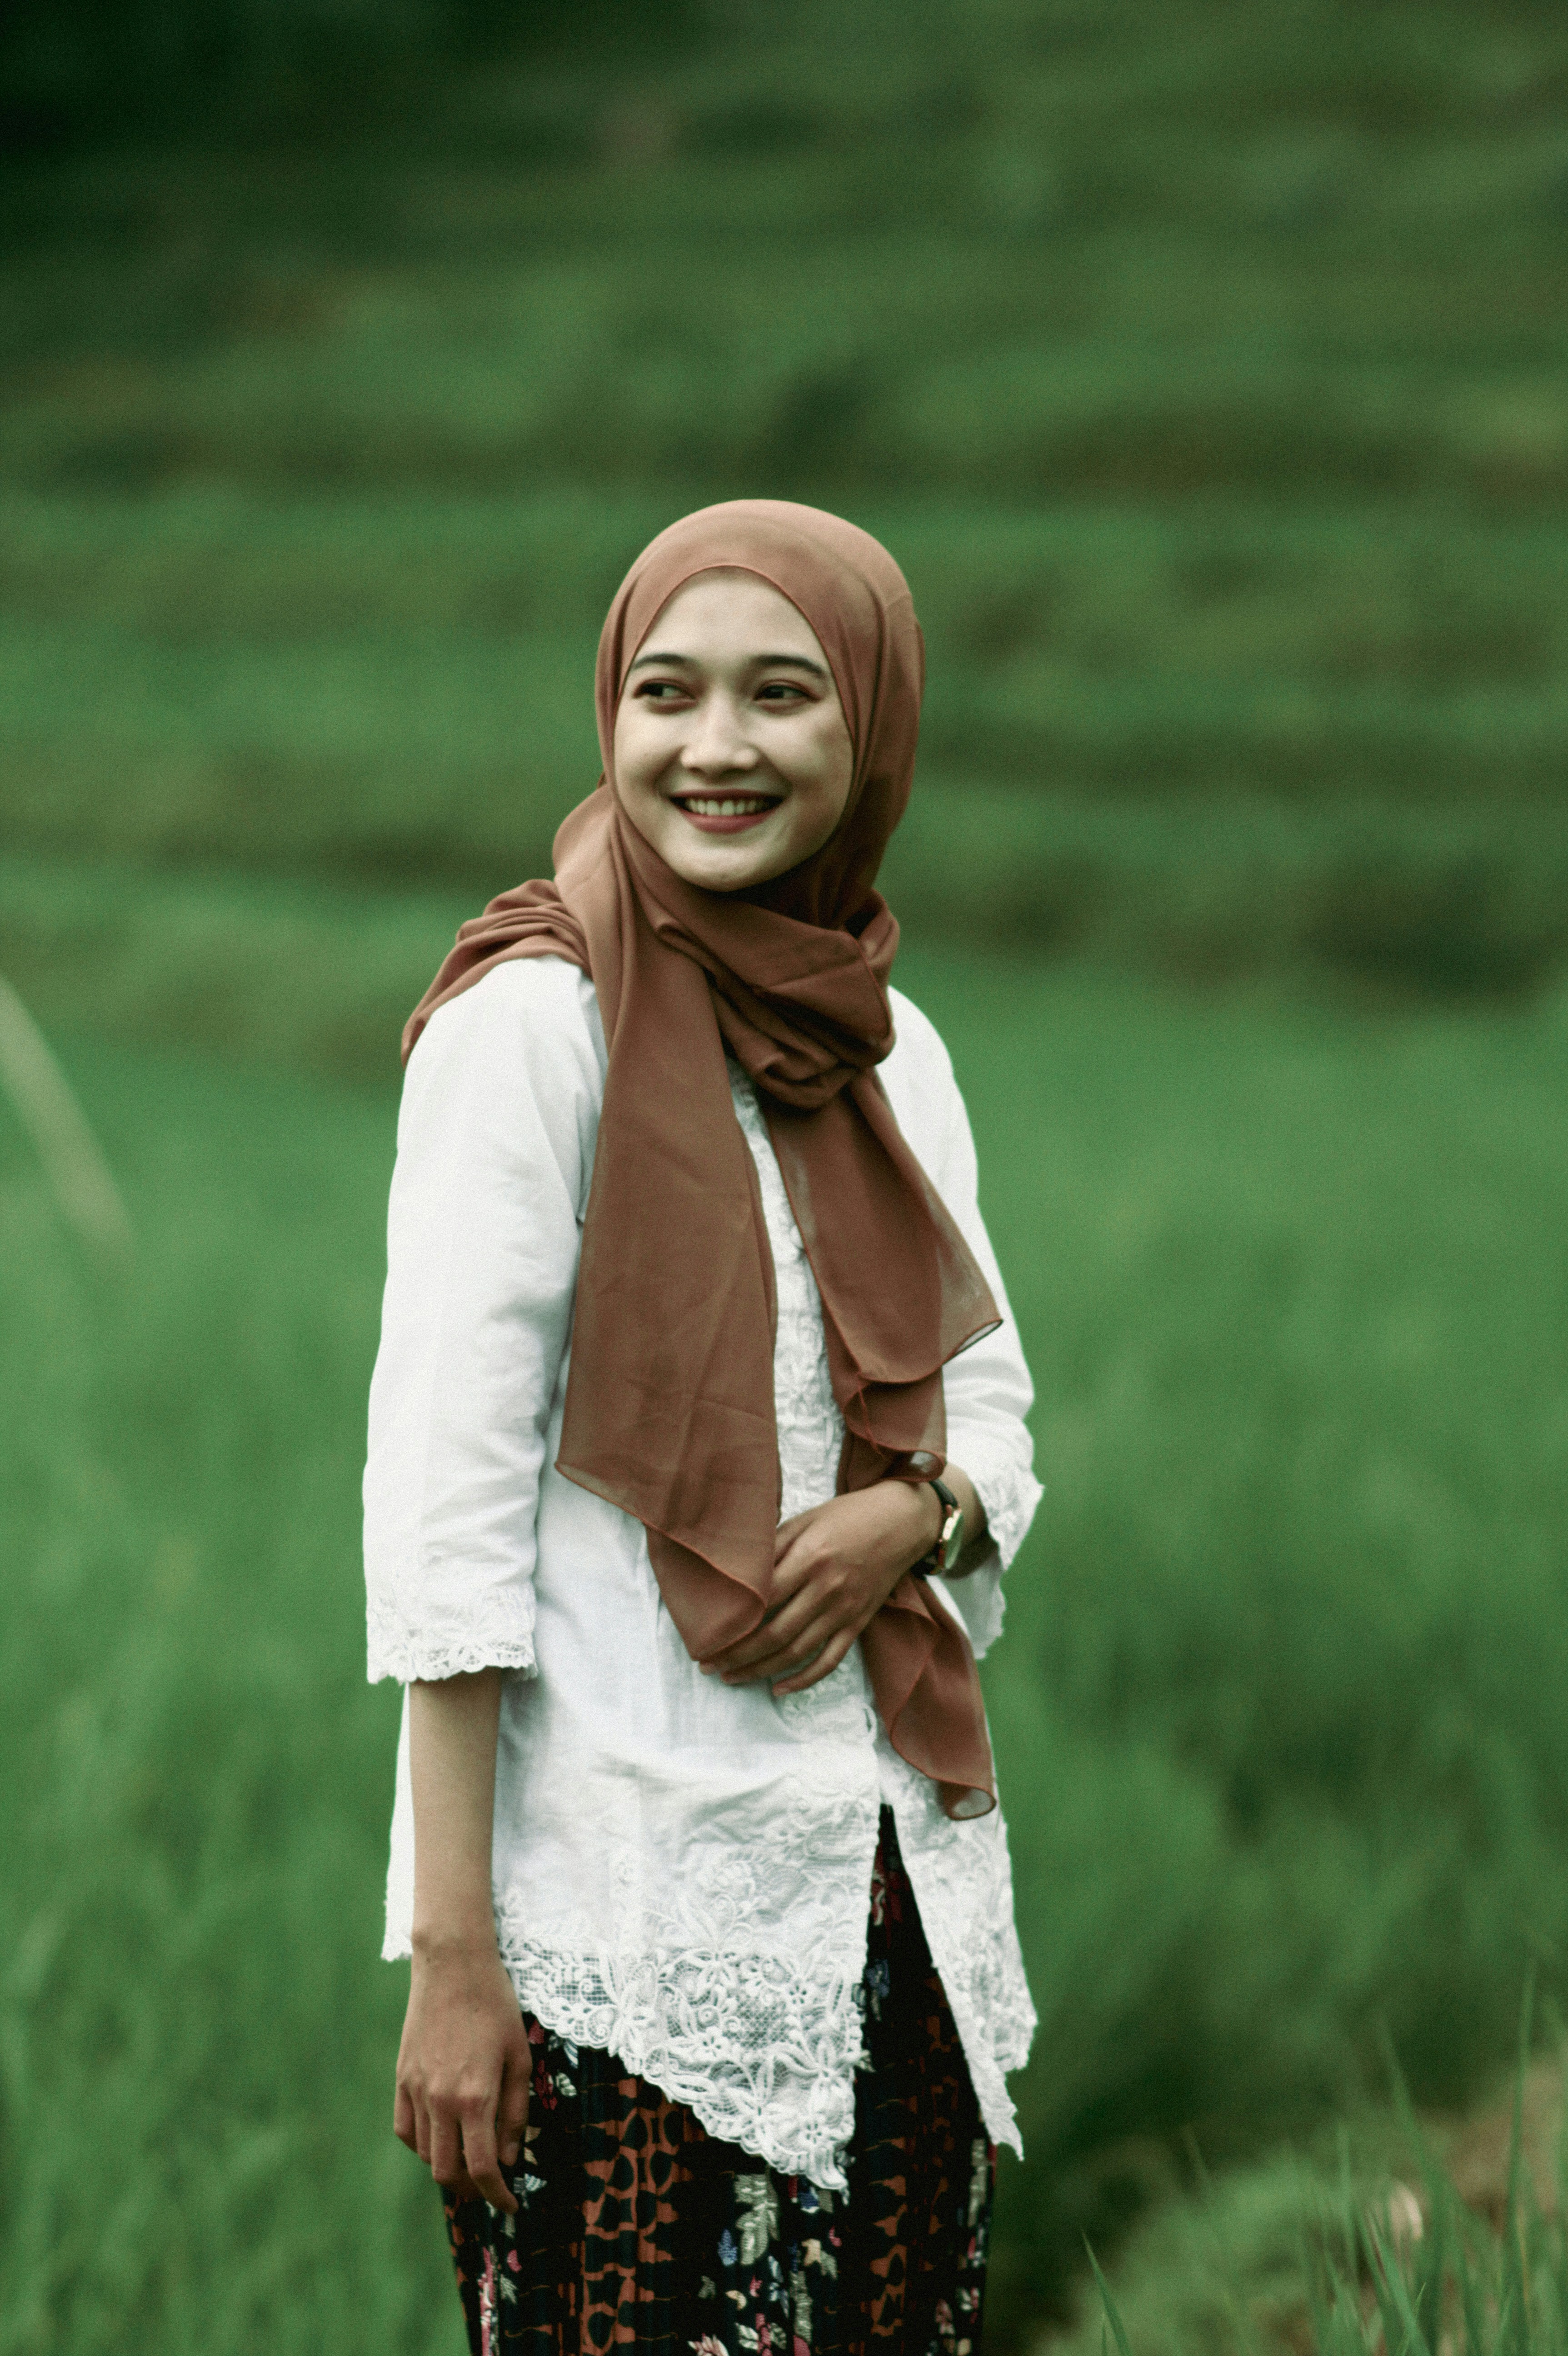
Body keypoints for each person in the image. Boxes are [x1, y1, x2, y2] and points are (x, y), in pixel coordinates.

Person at [363, 500, 1041, 2356]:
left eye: (782, 695)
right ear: (611, 712)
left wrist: (920, 1515)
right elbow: (445, 1521)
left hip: (892, 1905)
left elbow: (991, 1402)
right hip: (621, 1938)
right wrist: (454, 1959)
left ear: (873, 727)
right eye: (668, 693)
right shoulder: (533, 1031)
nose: (716, 747)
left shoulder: (893, 1049)